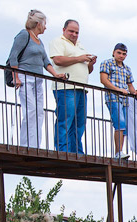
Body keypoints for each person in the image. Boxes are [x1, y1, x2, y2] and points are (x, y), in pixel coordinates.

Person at [7, 10, 67, 149]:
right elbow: (13, 56)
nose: (46, 27)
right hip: (25, 77)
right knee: (30, 111)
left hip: (37, 80)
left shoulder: (39, 41)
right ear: (39, 23)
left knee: (39, 112)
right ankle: (25, 144)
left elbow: (45, 61)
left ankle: (35, 145)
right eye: (45, 24)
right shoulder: (24, 35)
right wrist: (16, 77)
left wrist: (55, 75)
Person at [47, 19, 95, 153]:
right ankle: (63, 150)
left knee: (79, 123)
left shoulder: (80, 46)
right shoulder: (58, 41)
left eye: (77, 32)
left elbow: (87, 70)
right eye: (71, 31)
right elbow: (57, 60)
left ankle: (76, 151)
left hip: (81, 88)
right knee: (66, 120)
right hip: (66, 87)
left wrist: (90, 63)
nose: (74, 34)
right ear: (64, 30)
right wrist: (79, 58)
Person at [99, 43, 137, 159]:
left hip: (125, 99)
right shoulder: (107, 63)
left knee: (124, 126)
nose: (121, 56)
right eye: (119, 53)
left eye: (124, 54)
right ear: (114, 52)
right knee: (119, 123)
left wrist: (136, 93)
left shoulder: (127, 69)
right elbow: (103, 80)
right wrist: (118, 90)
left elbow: (130, 86)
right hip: (113, 97)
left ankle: (120, 151)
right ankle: (118, 152)